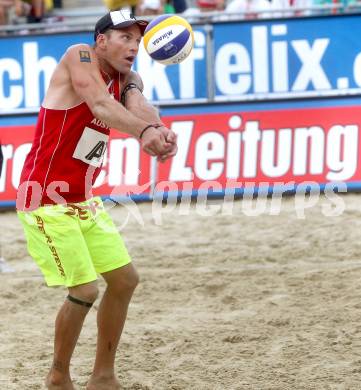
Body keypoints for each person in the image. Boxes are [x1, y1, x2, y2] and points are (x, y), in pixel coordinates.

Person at [16, 8, 177, 390]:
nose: (134, 45)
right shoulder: (80, 55)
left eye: (138, 40)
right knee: (85, 289)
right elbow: (102, 106)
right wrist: (143, 133)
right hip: (44, 197)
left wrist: (157, 130)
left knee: (124, 281)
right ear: (101, 40)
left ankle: (103, 377)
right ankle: (58, 377)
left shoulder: (127, 78)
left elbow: (137, 107)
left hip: (83, 199)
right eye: (125, 37)